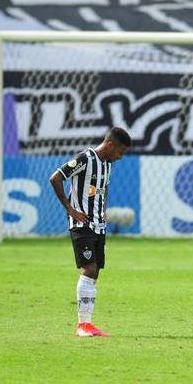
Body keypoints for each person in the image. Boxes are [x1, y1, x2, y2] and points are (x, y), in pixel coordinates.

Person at [49, 127, 133, 338]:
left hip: (97, 224)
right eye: (119, 152)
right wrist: (70, 209)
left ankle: (87, 324)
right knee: (90, 268)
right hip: (81, 224)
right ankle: (83, 325)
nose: (120, 157)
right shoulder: (85, 158)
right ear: (110, 145)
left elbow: (102, 189)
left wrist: (102, 211)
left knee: (95, 271)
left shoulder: (106, 165)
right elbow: (56, 178)